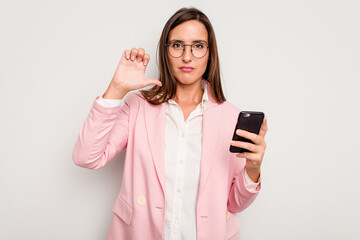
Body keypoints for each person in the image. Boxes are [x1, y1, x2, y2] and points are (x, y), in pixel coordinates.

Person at [72, 7, 268, 240]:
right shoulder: (138, 106)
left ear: (209, 54)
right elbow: (87, 157)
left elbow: (234, 204)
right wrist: (117, 88)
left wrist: (253, 170)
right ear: (165, 52)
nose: (187, 56)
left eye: (198, 46)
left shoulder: (231, 117)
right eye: (177, 45)